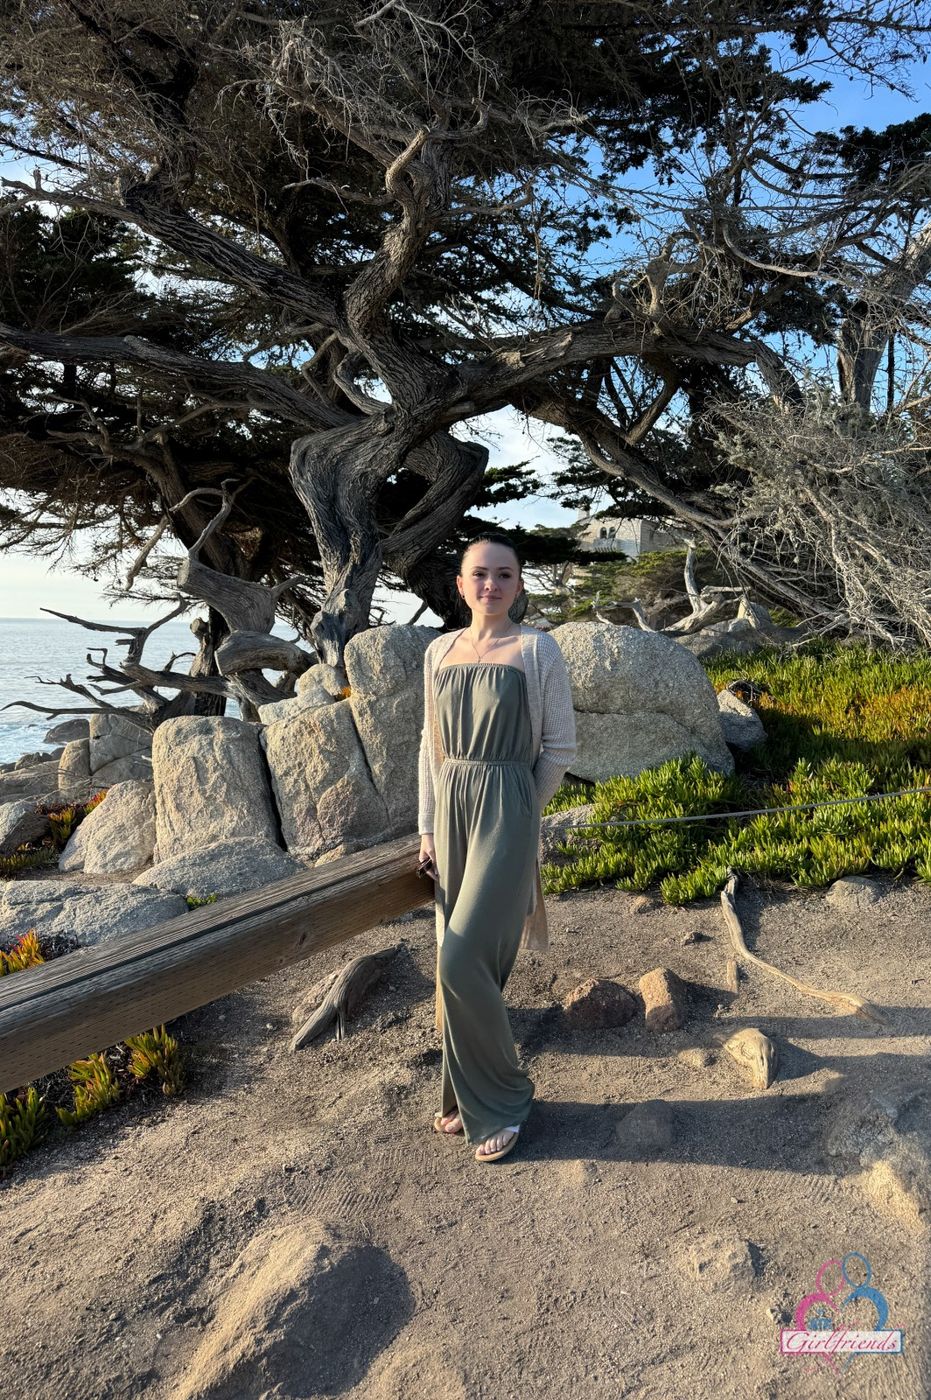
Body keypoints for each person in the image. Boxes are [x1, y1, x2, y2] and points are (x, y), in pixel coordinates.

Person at [416, 532, 577, 1163]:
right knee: (466, 961)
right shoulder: (437, 651)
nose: (491, 585)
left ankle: (506, 1096)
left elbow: (559, 747)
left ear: (519, 585)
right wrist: (428, 827)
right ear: (460, 585)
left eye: (504, 574)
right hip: (451, 813)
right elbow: (429, 747)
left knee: (459, 961)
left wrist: (521, 810)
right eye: (480, 574)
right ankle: (464, 1093)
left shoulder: (538, 650)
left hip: (507, 812)